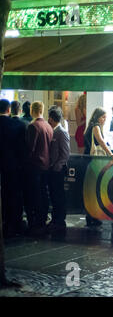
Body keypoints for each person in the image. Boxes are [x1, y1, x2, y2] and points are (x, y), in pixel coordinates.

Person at [24, 101, 54, 236]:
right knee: (43, 193)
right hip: (46, 166)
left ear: (32, 110)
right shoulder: (48, 126)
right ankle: (42, 219)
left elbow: (30, 148)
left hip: (35, 166)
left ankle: (35, 222)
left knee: (34, 195)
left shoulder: (33, 126)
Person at [84, 108, 113, 227]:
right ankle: (93, 216)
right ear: (97, 117)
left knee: (92, 190)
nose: (104, 120)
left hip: (90, 160)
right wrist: (110, 154)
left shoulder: (90, 127)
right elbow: (101, 142)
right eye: (103, 117)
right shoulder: (96, 127)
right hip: (95, 162)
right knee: (94, 190)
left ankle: (91, 216)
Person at [0, 99, 27, 238]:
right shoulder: (18, 125)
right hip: (14, 167)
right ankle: (14, 223)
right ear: (9, 109)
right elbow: (23, 150)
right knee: (14, 195)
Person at [47, 106, 70, 234]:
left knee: (58, 196)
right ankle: (55, 219)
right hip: (52, 170)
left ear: (51, 118)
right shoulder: (53, 131)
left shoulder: (62, 132)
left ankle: (60, 221)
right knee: (54, 196)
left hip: (58, 171)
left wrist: (56, 166)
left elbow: (65, 154)